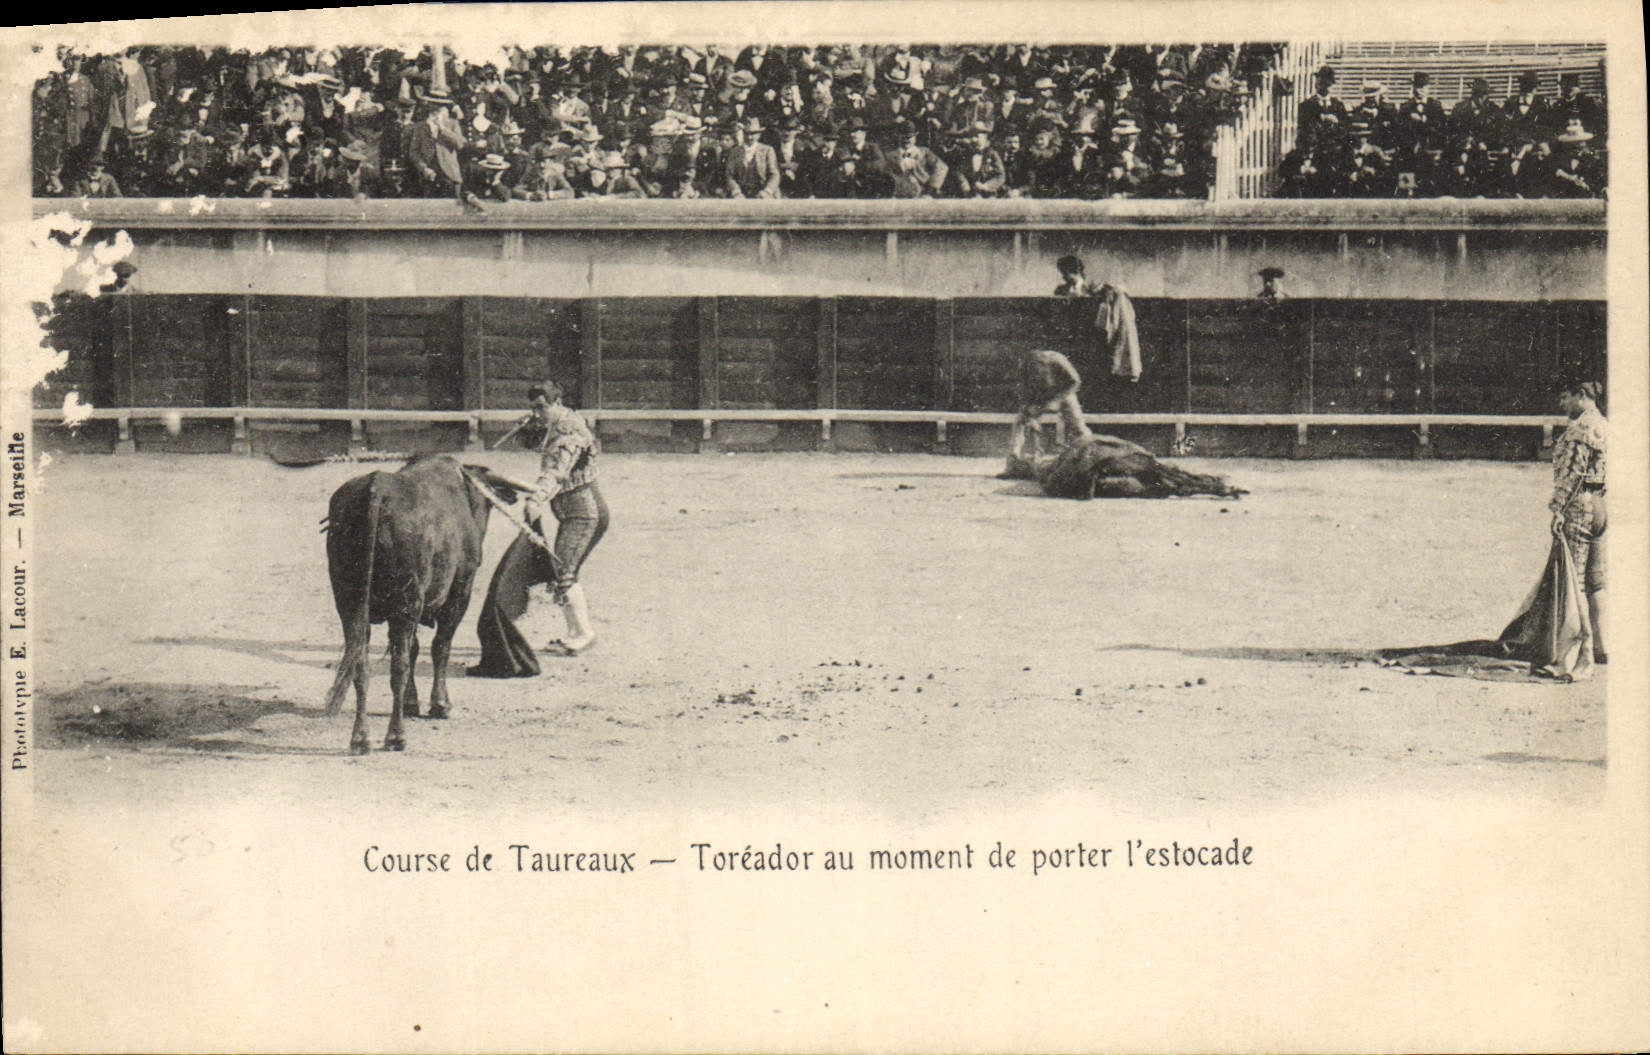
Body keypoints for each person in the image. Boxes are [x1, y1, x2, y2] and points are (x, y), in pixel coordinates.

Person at [470, 380, 609, 677]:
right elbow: (536, 444)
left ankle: (583, 635)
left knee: (563, 571)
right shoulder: (562, 421)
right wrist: (528, 428)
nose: (537, 412)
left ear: (556, 402)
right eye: (533, 407)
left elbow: (556, 474)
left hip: (585, 514)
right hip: (574, 512)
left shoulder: (569, 432)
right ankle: (576, 632)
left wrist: (537, 500)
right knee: (562, 570)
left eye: (542, 407)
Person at [1549, 379, 1607, 664]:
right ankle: (1602, 645)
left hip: (1580, 506)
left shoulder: (1580, 429)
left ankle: (1579, 652)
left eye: (1565, 397)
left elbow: (1573, 474)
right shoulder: (1606, 425)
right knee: (1597, 580)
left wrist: (1559, 509)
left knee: (1576, 582)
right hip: (1601, 506)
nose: (1562, 404)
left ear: (1581, 396)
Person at [1003, 349, 1090, 478]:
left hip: (1063, 391)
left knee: (1079, 426)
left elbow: (1076, 382)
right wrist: (1028, 409)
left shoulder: (1058, 360)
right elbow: (1022, 389)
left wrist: (1056, 400)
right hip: (1039, 394)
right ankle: (1012, 463)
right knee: (1020, 421)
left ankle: (1089, 458)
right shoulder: (1025, 365)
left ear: (1048, 368)